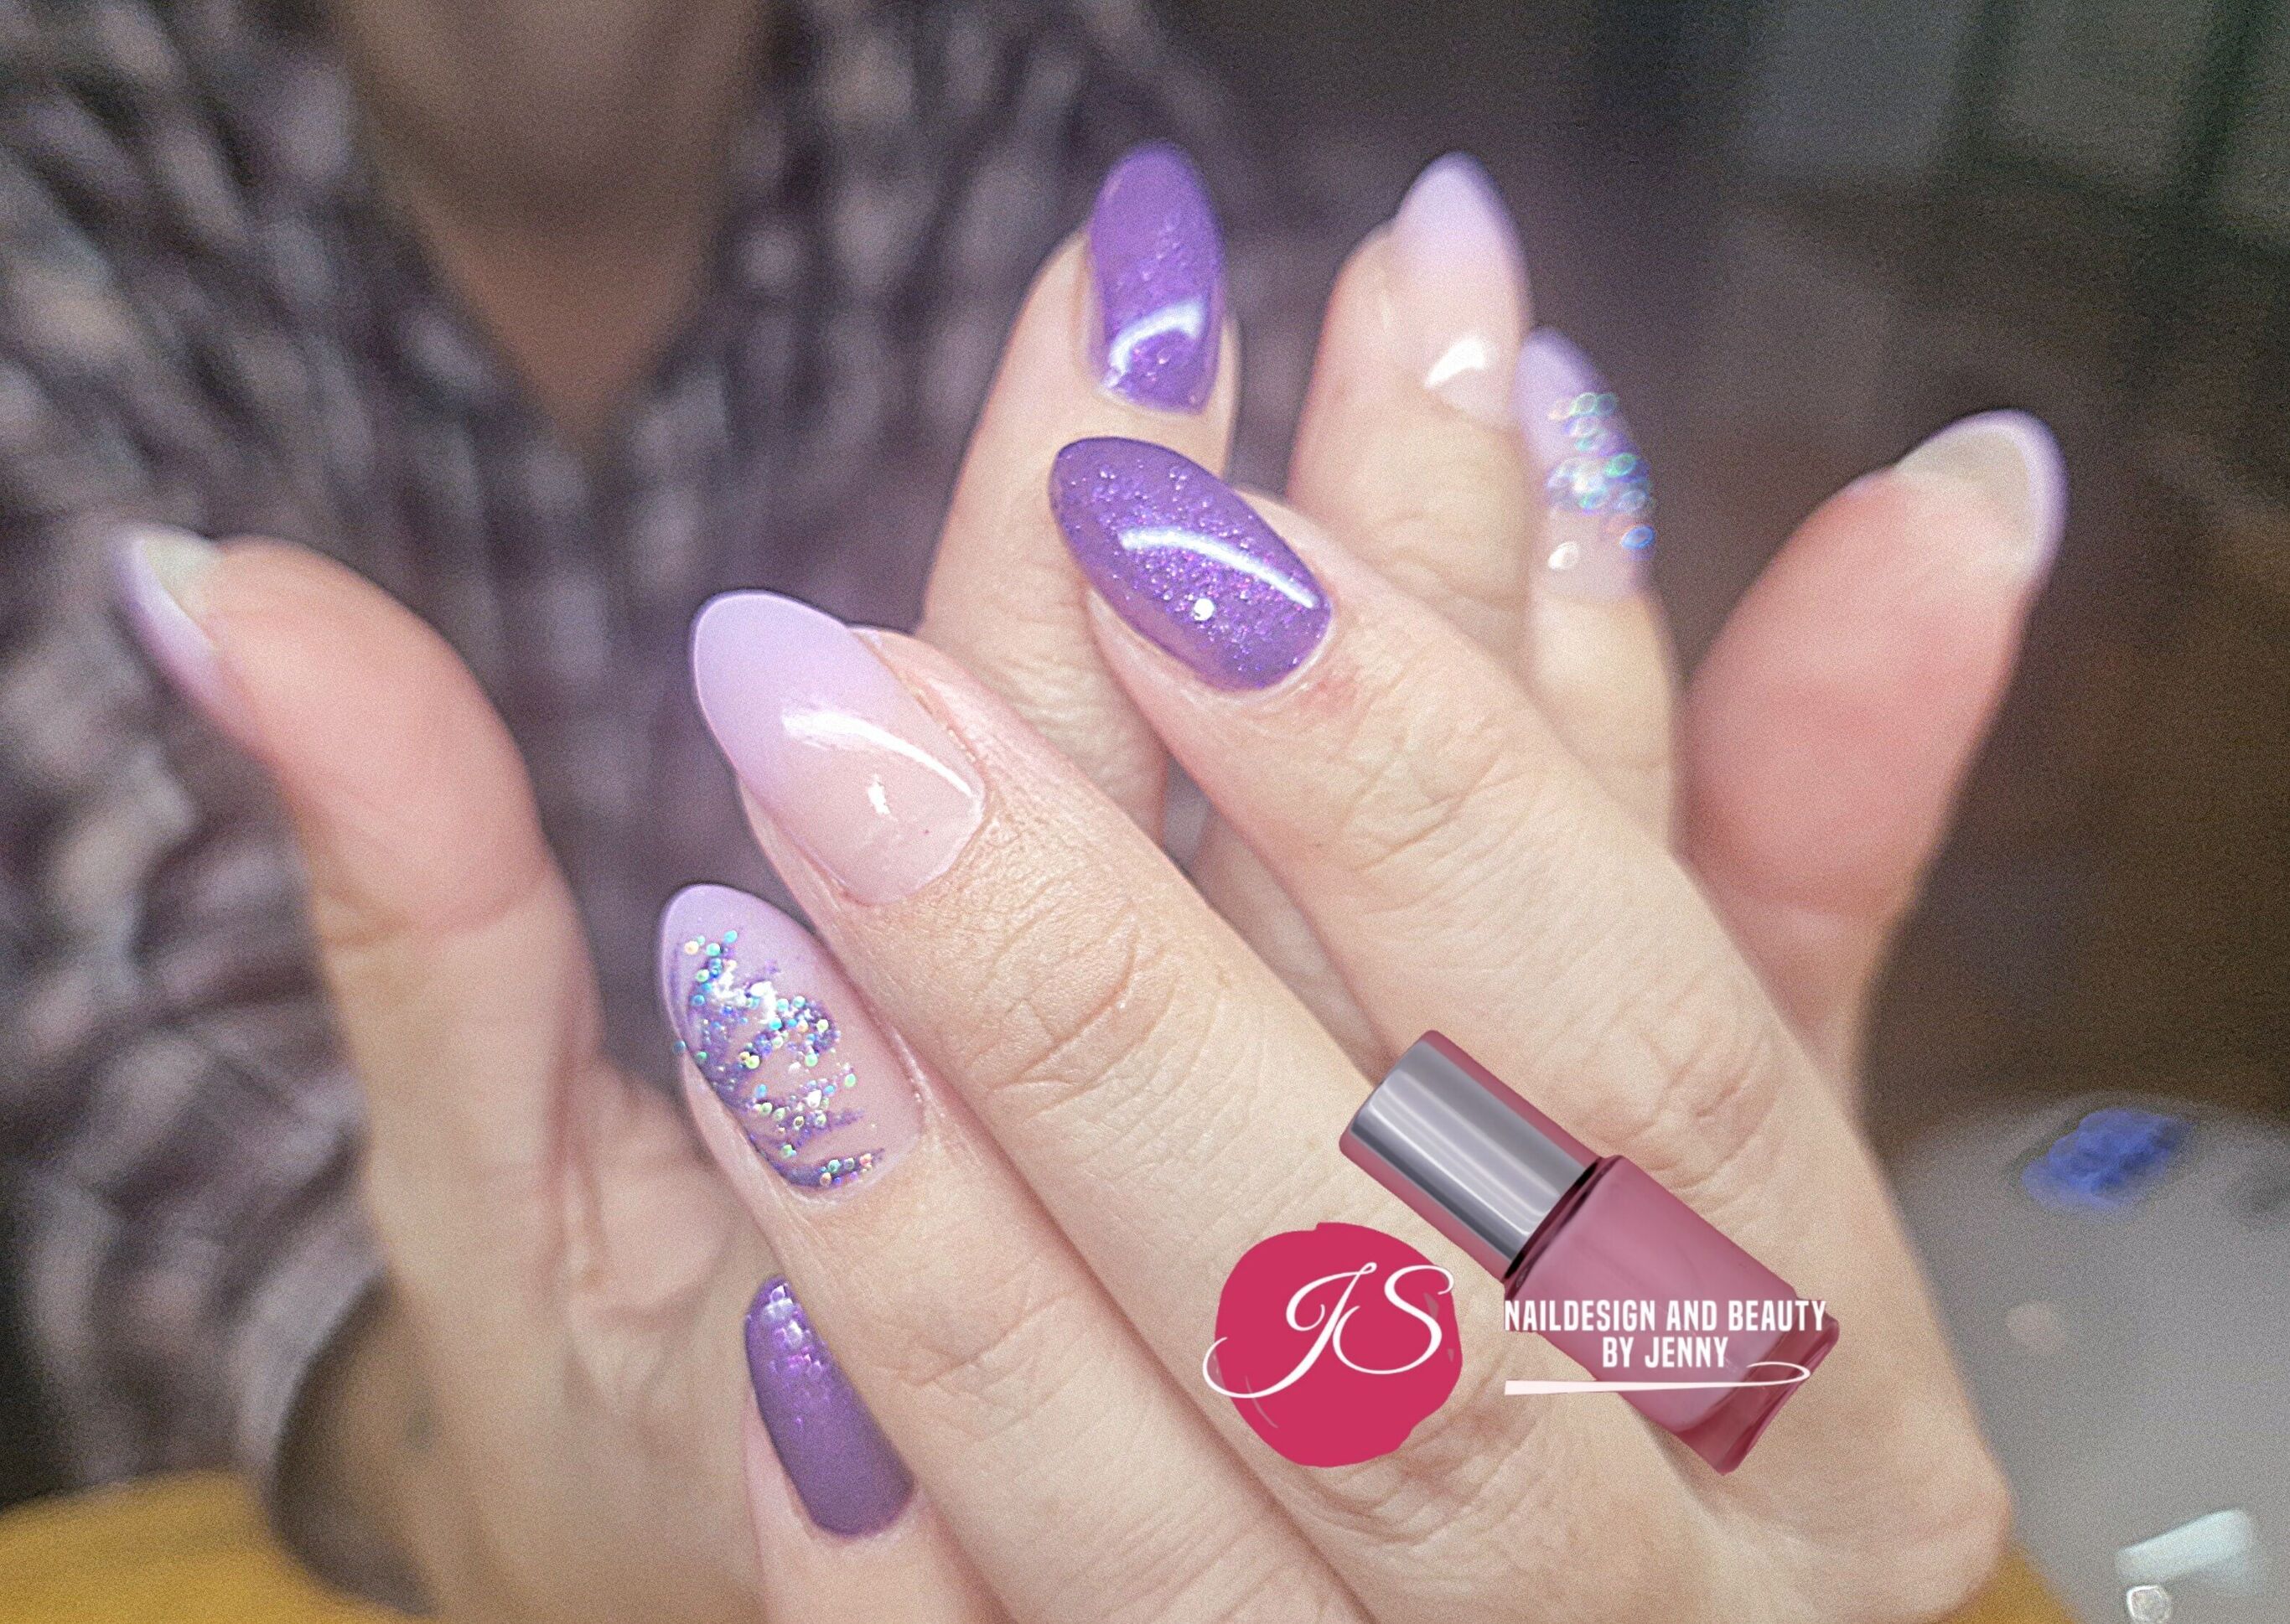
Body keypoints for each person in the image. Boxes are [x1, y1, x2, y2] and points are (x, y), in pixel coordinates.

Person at [7, 0, 2051, 1617]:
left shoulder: (1047, 86)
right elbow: (130, 1052)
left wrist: (1649, 1319)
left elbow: (1350, 983)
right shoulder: (62, 136)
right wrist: (486, 1450)